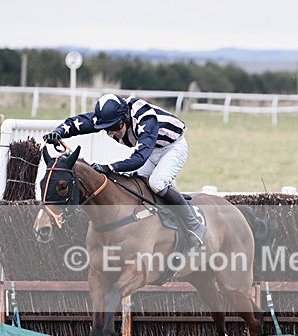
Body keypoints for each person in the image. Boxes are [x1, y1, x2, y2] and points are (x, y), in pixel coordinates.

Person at [42, 94, 206, 251]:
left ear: (125, 118)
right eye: (106, 129)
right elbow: (79, 123)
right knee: (134, 182)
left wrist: (109, 167)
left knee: (157, 183)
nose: (111, 132)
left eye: (115, 127)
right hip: (152, 150)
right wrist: (58, 132)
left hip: (172, 148)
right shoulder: (112, 115)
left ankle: (194, 225)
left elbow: (139, 158)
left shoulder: (146, 119)